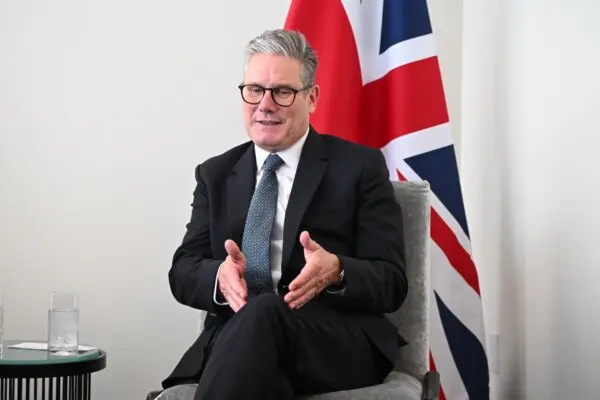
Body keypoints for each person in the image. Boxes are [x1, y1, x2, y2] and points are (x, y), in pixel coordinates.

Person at [161, 28, 408, 400]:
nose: (265, 104)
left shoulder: (359, 167)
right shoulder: (215, 174)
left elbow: (392, 282)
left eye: (283, 92)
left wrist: (337, 270)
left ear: (312, 98)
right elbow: (182, 270)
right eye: (255, 90)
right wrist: (219, 277)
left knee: (264, 313)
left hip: (329, 341)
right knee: (257, 336)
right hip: (238, 338)